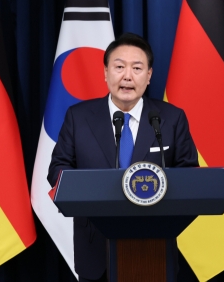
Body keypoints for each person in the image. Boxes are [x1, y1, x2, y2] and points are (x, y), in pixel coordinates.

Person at [47, 33, 198, 282]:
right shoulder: (79, 117)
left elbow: (189, 173)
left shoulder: (170, 119)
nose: (127, 76)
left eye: (137, 68)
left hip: (155, 246)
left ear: (148, 76)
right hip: (95, 248)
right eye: (119, 67)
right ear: (105, 72)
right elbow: (58, 169)